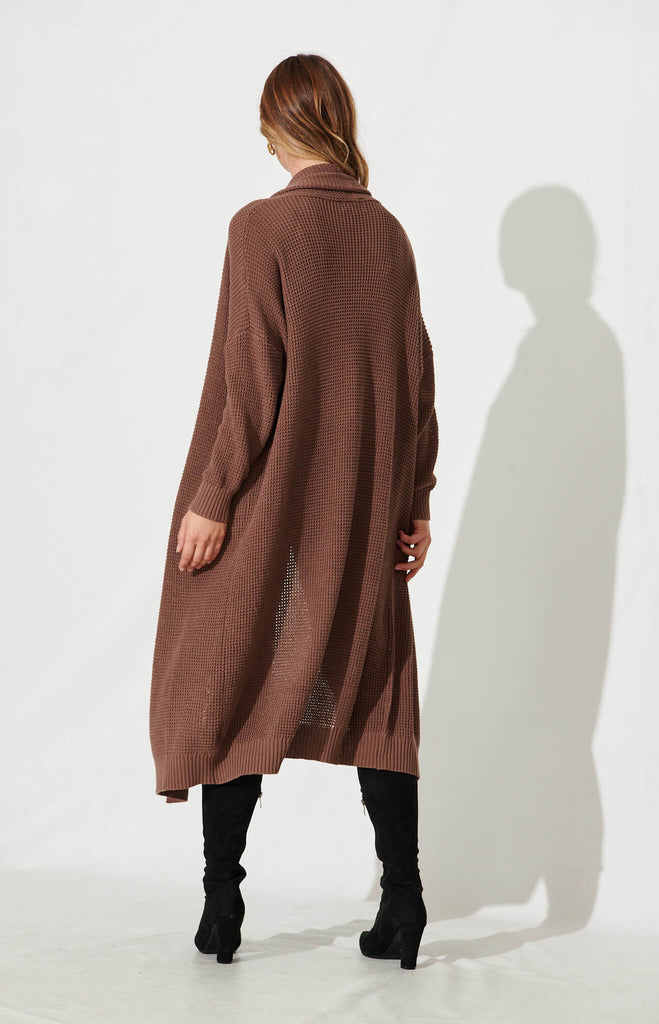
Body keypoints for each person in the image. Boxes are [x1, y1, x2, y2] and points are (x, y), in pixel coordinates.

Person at [149, 53, 439, 969]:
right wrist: (415, 501)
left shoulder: (261, 226)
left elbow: (250, 384)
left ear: (281, 125)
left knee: (230, 672)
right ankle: (404, 902)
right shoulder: (386, 233)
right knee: (376, 688)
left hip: (273, 509)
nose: (260, 139)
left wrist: (212, 500)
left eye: (264, 124)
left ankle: (222, 903)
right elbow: (419, 381)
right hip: (363, 516)